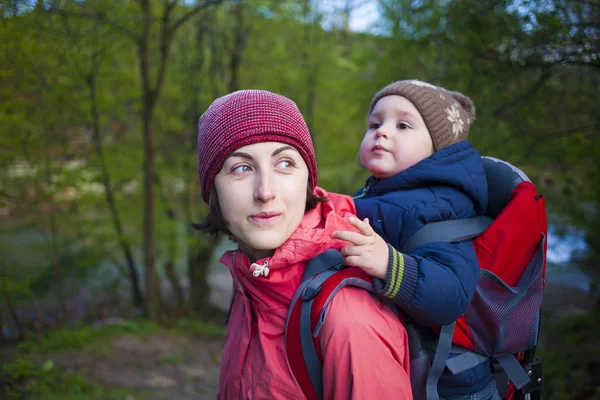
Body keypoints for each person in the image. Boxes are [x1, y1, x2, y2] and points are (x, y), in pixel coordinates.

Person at [194, 89, 412, 399]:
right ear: (212, 190)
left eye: (284, 163)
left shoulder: (347, 319)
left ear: (307, 180)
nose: (265, 191)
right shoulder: (252, 275)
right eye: (241, 168)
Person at [332, 80, 499, 399]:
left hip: (447, 384)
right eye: (375, 123)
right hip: (396, 364)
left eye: (403, 125)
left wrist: (388, 264)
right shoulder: (383, 194)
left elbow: (451, 293)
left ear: (439, 148)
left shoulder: (439, 207)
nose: (382, 132)